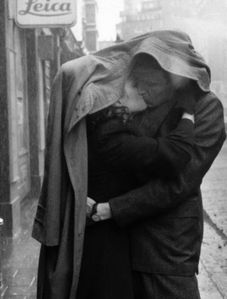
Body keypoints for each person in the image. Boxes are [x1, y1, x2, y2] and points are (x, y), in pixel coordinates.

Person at [32, 30, 226, 299]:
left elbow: (177, 183)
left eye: (152, 82)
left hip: (165, 246)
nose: (144, 88)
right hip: (121, 242)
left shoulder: (205, 107)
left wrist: (110, 209)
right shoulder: (140, 96)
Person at [77, 56, 196, 299]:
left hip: (110, 236)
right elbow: (174, 155)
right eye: (133, 85)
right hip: (105, 243)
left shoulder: (105, 128)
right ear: (114, 98)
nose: (140, 90)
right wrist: (188, 114)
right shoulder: (111, 134)